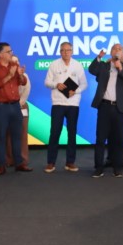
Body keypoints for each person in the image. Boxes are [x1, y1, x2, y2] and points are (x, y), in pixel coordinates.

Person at [88, 44, 123, 178]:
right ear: (111, 52)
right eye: (115, 49)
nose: (117, 51)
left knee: (119, 139)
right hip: (104, 106)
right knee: (100, 138)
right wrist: (99, 57)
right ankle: (99, 168)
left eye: (120, 49)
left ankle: (118, 167)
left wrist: (120, 68)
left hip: (121, 108)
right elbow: (92, 70)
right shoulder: (104, 66)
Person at [43, 42, 88, 173]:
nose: (66, 52)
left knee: (72, 133)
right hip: (58, 103)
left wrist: (76, 91)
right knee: (55, 132)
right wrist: (56, 84)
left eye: (68, 50)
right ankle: (51, 162)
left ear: (72, 51)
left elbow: (84, 84)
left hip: (73, 104)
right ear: (60, 52)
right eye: (63, 50)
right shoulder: (54, 64)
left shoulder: (77, 65)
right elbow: (47, 82)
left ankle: (70, 162)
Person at [0, 42, 29, 175]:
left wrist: (20, 74)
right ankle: (1, 165)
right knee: (0, 136)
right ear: (1, 54)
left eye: (11, 51)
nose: (11, 53)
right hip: (1, 107)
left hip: (15, 105)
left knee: (17, 135)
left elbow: (22, 82)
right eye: (9, 51)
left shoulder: (14, 65)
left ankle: (19, 163)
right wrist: (10, 75)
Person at [5, 55, 33, 172]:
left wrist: (18, 104)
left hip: (21, 106)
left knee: (22, 133)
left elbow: (26, 91)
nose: (15, 64)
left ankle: (23, 160)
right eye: (12, 62)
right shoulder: (5, 76)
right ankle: (9, 159)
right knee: (8, 134)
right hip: (7, 106)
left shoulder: (24, 76)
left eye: (17, 61)